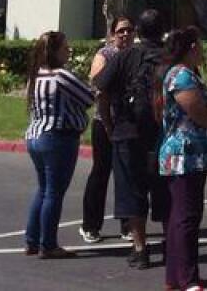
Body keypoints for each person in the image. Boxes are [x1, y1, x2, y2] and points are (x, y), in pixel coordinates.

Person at [158, 26, 207, 291]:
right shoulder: (180, 76)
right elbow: (196, 111)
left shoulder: (188, 74)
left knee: (184, 216)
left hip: (195, 156)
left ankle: (177, 276)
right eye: (200, 46)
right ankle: (186, 278)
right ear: (191, 47)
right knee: (185, 217)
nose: (203, 51)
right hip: (184, 154)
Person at [93, 8, 170, 270]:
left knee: (131, 191)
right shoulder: (170, 58)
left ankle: (140, 249)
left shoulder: (125, 56)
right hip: (164, 134)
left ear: (138, 31)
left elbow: (100, 89)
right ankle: (172, 244)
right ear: (162, 31)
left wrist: (109, 124)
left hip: (128, 131)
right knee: (167, 190)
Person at [24, 30, 93, 259]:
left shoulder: (36, 77)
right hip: (58, 137)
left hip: (35, 135)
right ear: (54, 51)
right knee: (54, 192)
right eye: (65, 47)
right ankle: (48, 244)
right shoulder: (61, 76)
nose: (69, 50)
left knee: (43, 189)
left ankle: (32, 240)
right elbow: (88, 97)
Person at [79, 16, 134, 244]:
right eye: (121, 31)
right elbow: (96, 84)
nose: (125, 34)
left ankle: (128, 226)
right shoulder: (105, 55)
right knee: (101, 172)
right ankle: (90, 226)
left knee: (128, 175)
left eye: (129, 30)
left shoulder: (136, 55)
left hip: (127, 122)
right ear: (112, 34)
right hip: (104, 122)